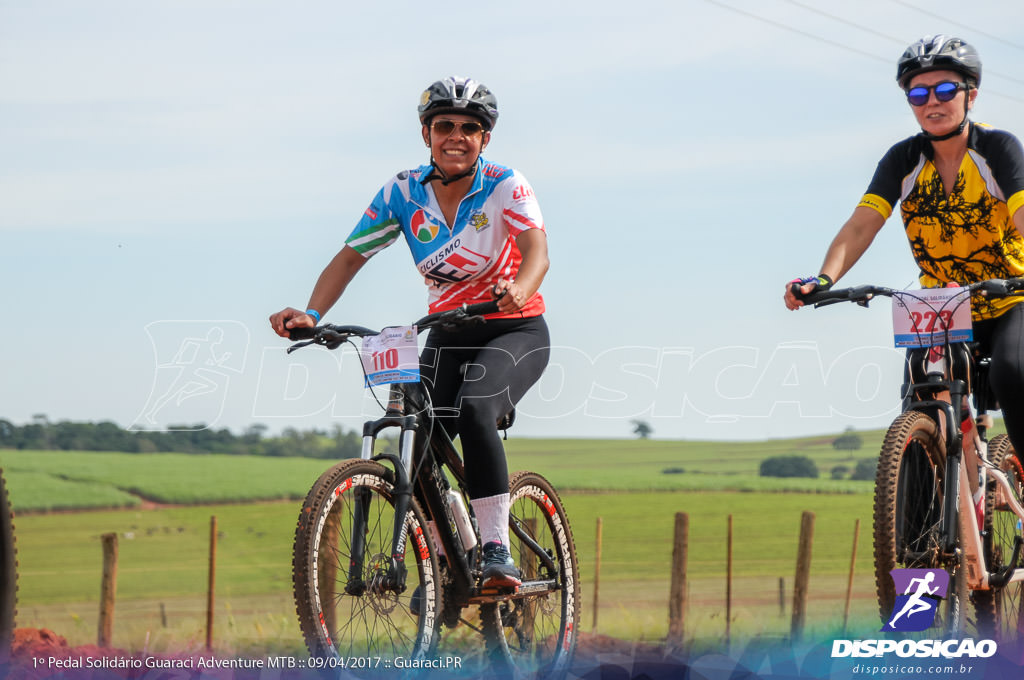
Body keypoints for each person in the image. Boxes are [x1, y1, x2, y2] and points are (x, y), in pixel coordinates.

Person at [270, 76, 550, 589]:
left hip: (514, 327)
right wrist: (311, 312)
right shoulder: (403, 191)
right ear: (427, 133)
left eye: (470, 128)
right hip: (446, 333)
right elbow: (351, 256)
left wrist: (520, 287)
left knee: (474, 408)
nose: (456, 136)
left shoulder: (506, 183)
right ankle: (443, 556)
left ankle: (495, 550)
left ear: (484, 139)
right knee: (416, 440)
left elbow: (537, 251)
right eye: (444, 125)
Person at [784, 36, 1024, 461]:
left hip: (1010, 294)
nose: (932, 101)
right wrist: (822, 279)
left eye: (945, 90)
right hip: (942, 304)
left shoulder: (998, 149)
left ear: (971, 94)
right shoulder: (902, 160)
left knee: (1013, 370)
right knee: (921, 391)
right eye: (918, 93)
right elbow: (861, 225)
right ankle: (917, 521)